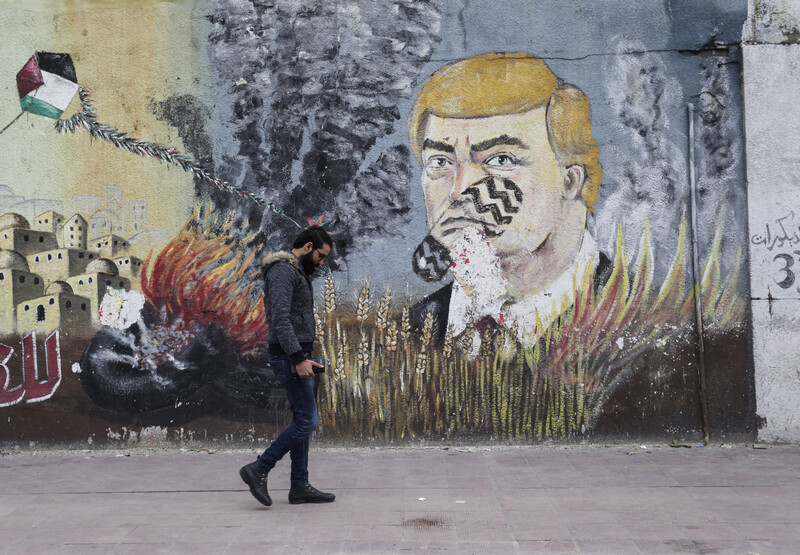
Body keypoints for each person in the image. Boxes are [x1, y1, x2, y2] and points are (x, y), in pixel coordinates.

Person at [408, 52, 610, 348]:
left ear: (569, 181)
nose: (459, 190)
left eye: (501, 159)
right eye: (440, 162)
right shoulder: (410, 333)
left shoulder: (642, 322)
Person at [239, 226, 335, 506]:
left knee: (302, 420)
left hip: (299, 354)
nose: (321, 262)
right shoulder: (283, 271)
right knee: (308, 420)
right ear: (307, 247)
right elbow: (280, 319)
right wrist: (297, 358)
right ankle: (259, 468)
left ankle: (299, 485)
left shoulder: (296, 272)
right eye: (320, 255)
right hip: (289, 357)